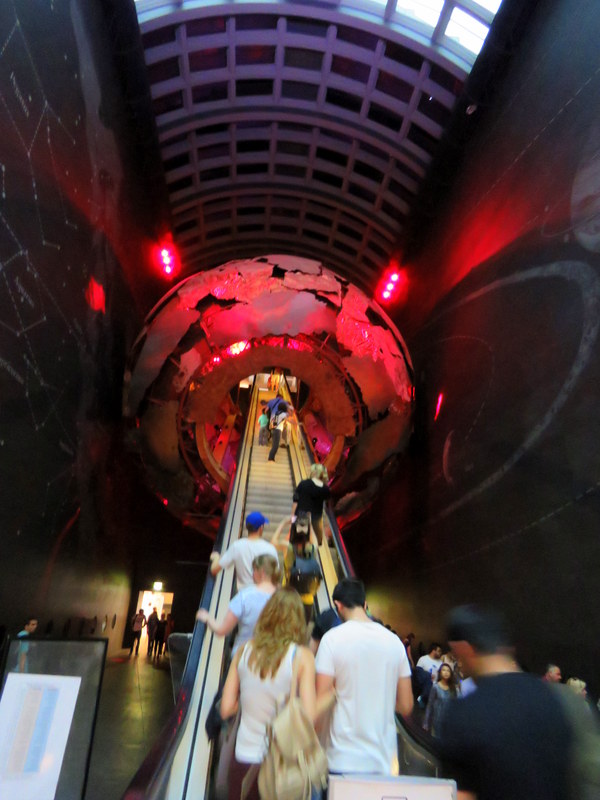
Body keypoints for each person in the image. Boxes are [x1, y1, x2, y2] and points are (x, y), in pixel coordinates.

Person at [437, 604, 574, 800]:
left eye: (455, 653)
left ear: (465, 649)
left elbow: (462, 796)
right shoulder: (554, 698)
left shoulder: (464, 713)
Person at [219, 588, 319, 800]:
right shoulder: (302, 657)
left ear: (267, 614)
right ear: (298, 621)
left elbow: (226, 709)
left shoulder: (243, 651)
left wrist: (247, 702)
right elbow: (309, 717)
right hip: (281, 766)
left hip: (243, 760)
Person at [315, 577, 413, 776]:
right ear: (365, 604)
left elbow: (321, 701)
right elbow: (406, 705)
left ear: (338, 605)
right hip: (383, 762)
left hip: (341, 759)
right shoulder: (394, 643)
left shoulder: (331, 640)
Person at [197, 554, 279, 655]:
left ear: (261, 572)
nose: (252, 574)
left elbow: (222, 631)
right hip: (272, 655)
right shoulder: (282, 597)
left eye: (254, 570)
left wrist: (207, 618)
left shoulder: (245, 596)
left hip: (244, 654)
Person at [209, 511, 278, 589]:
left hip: (243, 593)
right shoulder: (270, 548)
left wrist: (216, 557)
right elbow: (275, 576)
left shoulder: (237, 546)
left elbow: (214, 570)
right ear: (261, 528)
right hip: (264, 593)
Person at [284, 513, 322, 624]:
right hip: (307, 598)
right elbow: (315, 541)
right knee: (302, 629)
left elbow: (276, 542)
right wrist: (309, 524)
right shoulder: (312, 549)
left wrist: (287, 523)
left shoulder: (289, 549)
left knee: (286, 627)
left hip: (289, 595)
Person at [292, 463, 331, 545]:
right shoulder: (326, 489)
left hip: (302, 516)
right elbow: (327, 507)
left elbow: (295, 502)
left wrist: (293, 518)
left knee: (299, 543)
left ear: (313, 472)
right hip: (316, 520)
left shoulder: (303, 484)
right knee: (314, 545)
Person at [423, 662, 459, 737]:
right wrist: (426, 722)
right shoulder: (435, 687)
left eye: (448, 671)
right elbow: (430, 705)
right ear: (440, 672)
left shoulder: (453, 688)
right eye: (444, 670)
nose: (446, 672)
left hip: (449, 721)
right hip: (437, 720)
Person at [267, 396, 292, 462]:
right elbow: (290, 416)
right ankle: (271, 458)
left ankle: (271, 458)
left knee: (274, 444)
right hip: (277, 430)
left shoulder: (277, 412)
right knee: (276, 445)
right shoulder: (283, 414)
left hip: (273, 429)